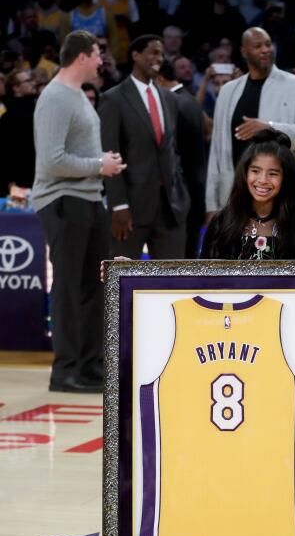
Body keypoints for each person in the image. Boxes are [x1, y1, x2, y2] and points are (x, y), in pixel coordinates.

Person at [32, 30, 126, 393]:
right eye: (98, 54)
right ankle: (66, 370)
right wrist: (98, 164)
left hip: (87, 199)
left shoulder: (75, 96)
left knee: (92, 288)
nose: (102, 61)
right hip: (63, 199)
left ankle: (89, 366)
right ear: (83, 56)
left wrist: (100, 167)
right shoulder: (55, 97)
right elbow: (53, 161)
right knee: (69, 289)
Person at [206, 27, 295, 213]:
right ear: (244, 51)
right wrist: (212, 203)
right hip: (236, 196)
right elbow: (217, 152)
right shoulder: (228, 91)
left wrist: (271, 128)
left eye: (268, 44)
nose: (265, 49)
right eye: (258, 46)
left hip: (284, 197)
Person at [99, 34, 190, 259]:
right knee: (120, 283)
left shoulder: (170, 99)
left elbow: (171, 150)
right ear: (136, 55)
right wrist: (118, 205)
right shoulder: (113, 98)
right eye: (153, 52)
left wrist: (181, 194)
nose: (159, 58)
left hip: (170, 208)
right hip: (130, 208)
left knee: (172, 286)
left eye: (161, 53)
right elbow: (110, 155)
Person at [201, 130, 295, 260]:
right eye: (255, 171)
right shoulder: (221, 222)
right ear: (244, 173)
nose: (262, 180)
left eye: (273, 173)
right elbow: (203, 275)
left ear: (286, 178)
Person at [157, 59, 208, 258]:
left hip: (182, 194)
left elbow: (174, 155)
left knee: (181, 259)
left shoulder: (175, 104)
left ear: (159, 79)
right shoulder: (189, 100)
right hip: (195, 189)